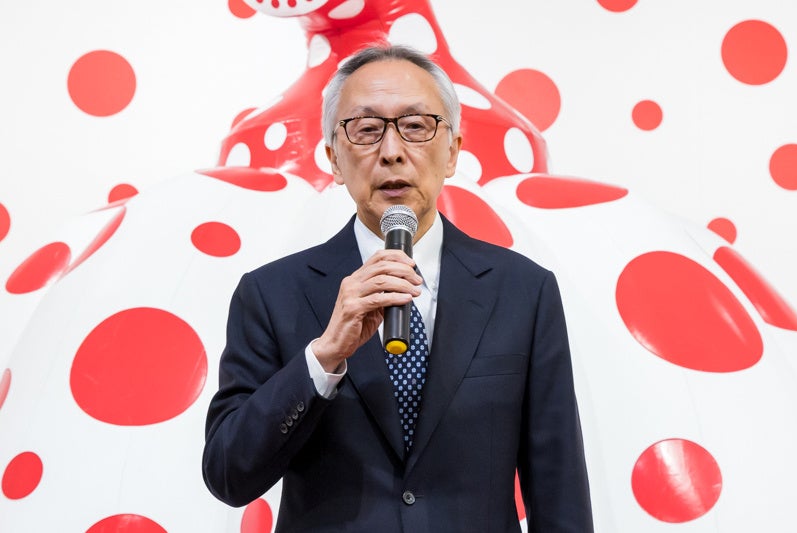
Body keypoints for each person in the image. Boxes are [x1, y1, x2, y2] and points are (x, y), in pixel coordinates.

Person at [202, 44, 593, 532]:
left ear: (452, 152)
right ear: (334, 159)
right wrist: (322, 358)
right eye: (367, 130)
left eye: (415, 126)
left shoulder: (523, 291)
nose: (391, 151)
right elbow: (228, 474)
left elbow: (559, 492)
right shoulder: (270, 294)